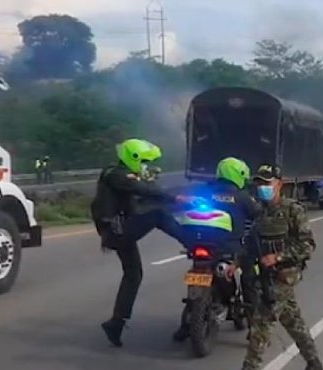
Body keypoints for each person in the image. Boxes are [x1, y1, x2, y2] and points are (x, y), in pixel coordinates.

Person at [216, 164, 323, 370]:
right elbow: (251, 246)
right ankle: (314, 365)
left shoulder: (292, 210)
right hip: (267, 276)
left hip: (285, 275)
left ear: (279, 184)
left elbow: (307, 245)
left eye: (268, 183)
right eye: (260, 183)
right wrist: (236, 263)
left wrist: (278, 257)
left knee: (261, 323)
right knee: (293, 321)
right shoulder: (261, 213)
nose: (263, 187)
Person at [91, 138, 191, 347]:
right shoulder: (116, 175)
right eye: (143, 161)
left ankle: (116, 323)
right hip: (117, 232)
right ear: (133, 158)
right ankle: (192, 241)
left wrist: (167, 197)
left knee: (134, 273)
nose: (145, 165)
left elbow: (144, 196)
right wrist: (174, 198)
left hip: (118, 230)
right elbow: (143, 190)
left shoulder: (122, 176)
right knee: (158, 215)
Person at [171, 156, 264, 342]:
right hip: (229, 248)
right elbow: (258, 215)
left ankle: (185, 325)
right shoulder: (242, 196)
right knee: (249, 278)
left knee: (194, 281)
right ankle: (256, 329)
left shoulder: (205, 191)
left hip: (199, 245)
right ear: (238, 175)